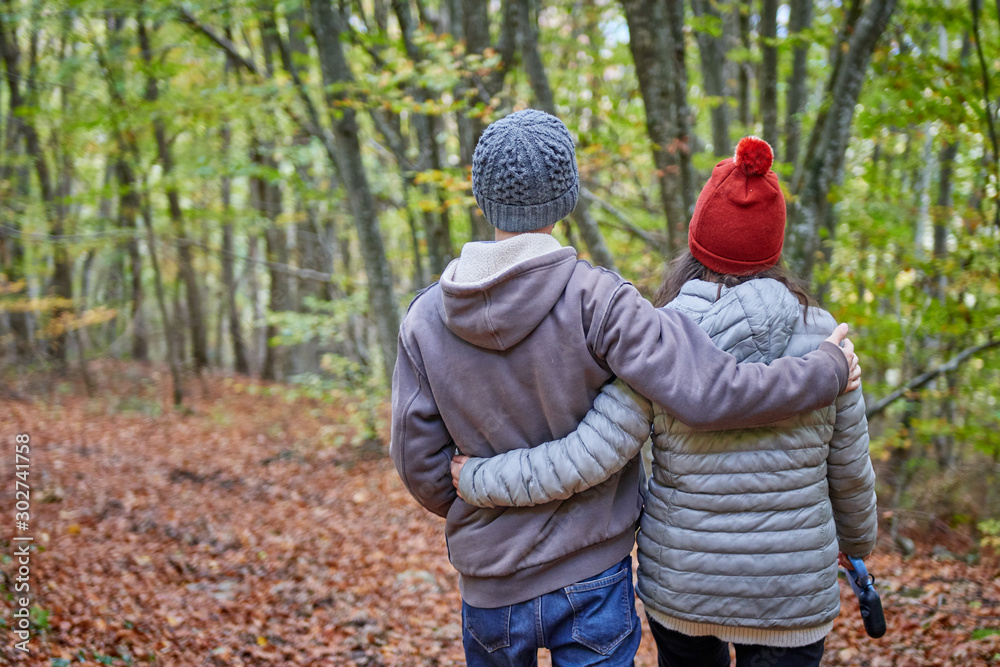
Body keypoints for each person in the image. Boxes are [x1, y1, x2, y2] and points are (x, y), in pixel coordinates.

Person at [389, 114, 860, 666]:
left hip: (490, 581)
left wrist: (478, 502)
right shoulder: (600, 300)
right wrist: (825, 371)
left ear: (480, 196)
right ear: (567, 196)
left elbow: (419, 464)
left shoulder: (424, 319)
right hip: (590, 574)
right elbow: (709, 392)